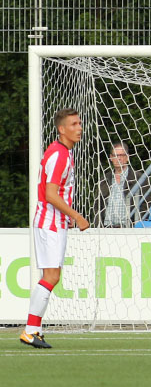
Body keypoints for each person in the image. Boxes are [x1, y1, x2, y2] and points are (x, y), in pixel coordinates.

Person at [21, 108, 90, 348]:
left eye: (80, 123)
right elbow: (50, 194)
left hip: (53, 222)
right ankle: (30, 330)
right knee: (51, 277)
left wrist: (67, 216)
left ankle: (34, 330)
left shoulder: (61, 152)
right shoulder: (60, 155)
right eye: (74, 124)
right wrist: (77, 216)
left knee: (51, 276)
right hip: (49, 223)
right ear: (62, 129)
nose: (79, 127)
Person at [95, 142, 148, 228]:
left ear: (127, 157)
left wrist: (137, 225)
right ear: (111, 157)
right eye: (115, 155)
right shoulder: (104, 179)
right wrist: (98, 225)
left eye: (122, 155)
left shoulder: (138, 178)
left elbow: (145, 204)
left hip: (129, 229)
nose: (118, 158)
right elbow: (97, 205)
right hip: (106, 228)